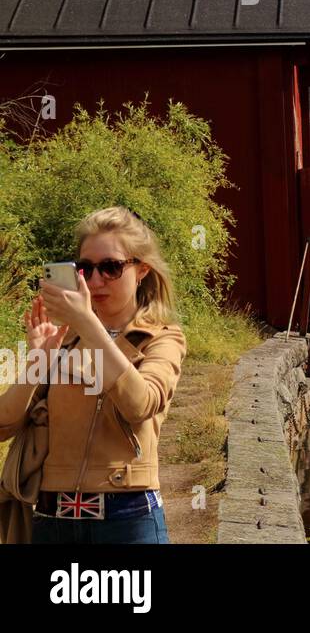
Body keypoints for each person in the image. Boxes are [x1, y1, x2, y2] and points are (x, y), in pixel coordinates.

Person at [0, 207, 187, 543]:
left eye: (111, 267)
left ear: (141, 269)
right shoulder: (63, 340)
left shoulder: (161, 337)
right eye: (86, 269)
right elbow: (4, 425)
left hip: (128, 521)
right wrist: (37, 362)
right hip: (52, 520)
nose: (96, 280)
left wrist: (87, 324)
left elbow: (140, 404)